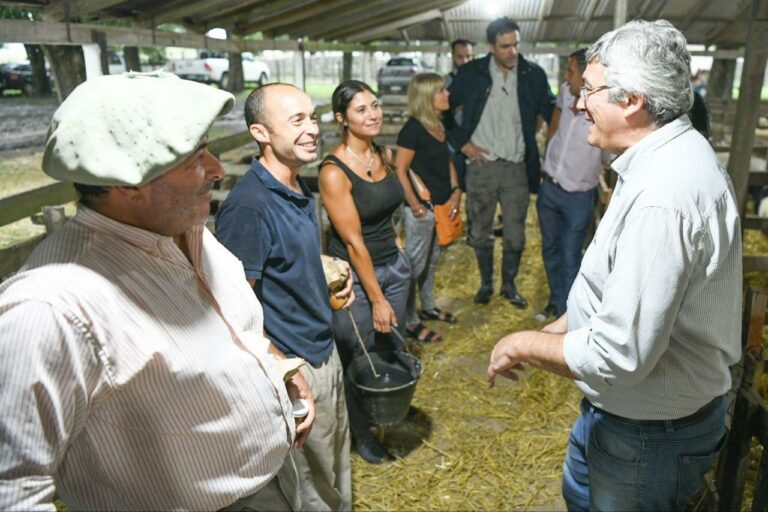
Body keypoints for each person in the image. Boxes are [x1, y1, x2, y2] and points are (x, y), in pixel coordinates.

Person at [0, 72, 316, 511]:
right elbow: (12, 492)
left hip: (269, 480)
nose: (217, 170)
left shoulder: (184, 228)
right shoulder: (51, 309)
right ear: (126, 181)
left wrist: (276, 366)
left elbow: (232, 328)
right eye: (193, 159)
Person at [486, 20, 741, 511]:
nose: (579, 104)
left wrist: (521, 341)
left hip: (648, 435)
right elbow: (609, 293)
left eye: (589, 92)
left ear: (631, 101)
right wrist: (556, 330)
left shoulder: (663, 197)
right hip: (625, 418)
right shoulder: (657, 158)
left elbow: (619, 352)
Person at [215, 83, 354, 512]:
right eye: (297, 120)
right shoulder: (249, 207)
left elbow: (284, 258)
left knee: (334, 472)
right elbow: (230, 311)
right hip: (294, 365)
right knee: (309, 489)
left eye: (312, 117)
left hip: (322, 348)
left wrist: (324, 269)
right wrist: (285, 372)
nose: (312, 128)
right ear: (260, 132)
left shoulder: (295, 187)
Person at [319, 80, 411, 464]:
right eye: (361, 110)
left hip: (395, 268)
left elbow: (390, 211)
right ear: (342, 119)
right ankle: (362, 433)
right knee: (358, 353)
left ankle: (385, 415)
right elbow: (354, 242)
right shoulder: (334, 171)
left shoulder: (384, 154)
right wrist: (376, 298)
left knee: (390, 346)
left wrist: (400, 251)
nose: (373, 114)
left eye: (375, 106)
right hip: (356, 279)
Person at [447, 16, 555, 307]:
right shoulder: (471, 73)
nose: (512, 52)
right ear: (491, 47)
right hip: (481, 166)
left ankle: (509, 285)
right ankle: (485, 285)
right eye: (505, 46)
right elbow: (443, 111)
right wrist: (462, 144)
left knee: (516, 234)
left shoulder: (533, 74)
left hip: (517, 167)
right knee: (480, 230)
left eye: (516, 44)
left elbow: (551, 110)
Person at [535, 48, 610, 322]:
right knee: (550, 249)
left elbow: (608, 154)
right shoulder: (567, 92)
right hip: (551, 186)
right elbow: (555, 124)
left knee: (571, 256)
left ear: (586, 74)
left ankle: (570, 317)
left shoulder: (604, 106)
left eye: (570, 72)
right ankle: (555, 302)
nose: (566, 78)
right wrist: (548, 160)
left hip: (579, 194)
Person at [395, 73, 462, 343]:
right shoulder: (412, 128)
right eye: (441, 91)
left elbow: (446, 161)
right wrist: (415, 205)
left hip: (441, 204)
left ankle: (429, 306)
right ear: (427, 97)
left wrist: (456, 189)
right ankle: (410, 321)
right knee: (414, 264)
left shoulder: (438, 124)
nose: (447, 95)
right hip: (422, 208)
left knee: (432, 260)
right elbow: (400, 169)